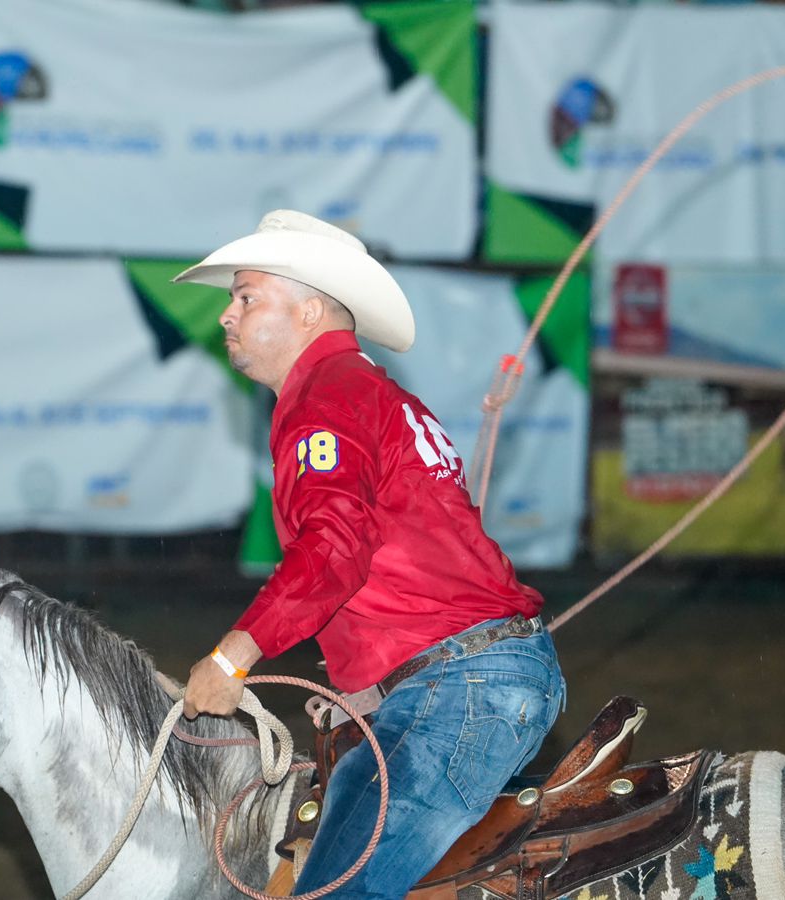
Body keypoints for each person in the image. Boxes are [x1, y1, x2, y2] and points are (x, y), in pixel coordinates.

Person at [176, 210, 566, 898]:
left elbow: (333, 549)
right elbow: (397, 556)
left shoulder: (327, 402)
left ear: (310, 312)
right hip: (459, 679)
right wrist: (361, 678)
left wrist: (231, 655)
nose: (227, 318)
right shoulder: (366, 394)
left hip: (461, 688)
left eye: (246, 298)